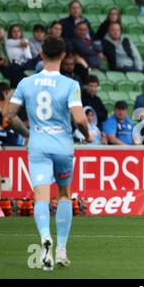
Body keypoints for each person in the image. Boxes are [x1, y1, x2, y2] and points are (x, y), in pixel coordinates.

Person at [7, 35, 93, 271]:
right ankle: (62, 249)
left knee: (41, 197)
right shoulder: (70, 84)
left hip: (39, 146)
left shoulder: (26, 83)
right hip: (63, 146)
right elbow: (78, 118)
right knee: (64, 194)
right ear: (64, 56)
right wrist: (87, 135)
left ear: (41, 54)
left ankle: (45, 236)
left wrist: (27, 133)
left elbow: (9, 116)